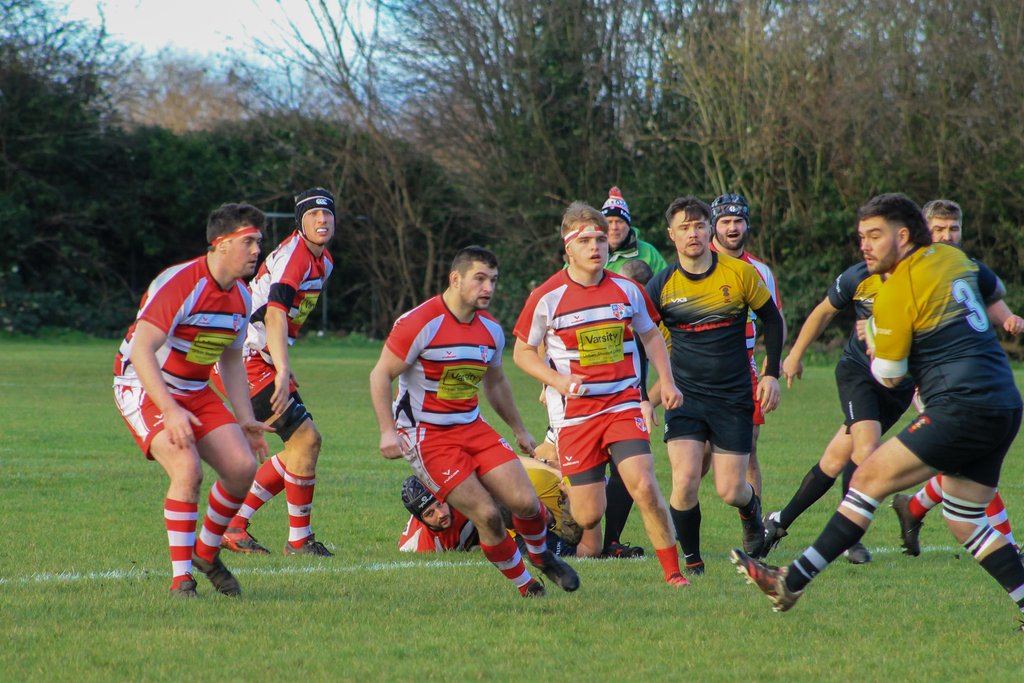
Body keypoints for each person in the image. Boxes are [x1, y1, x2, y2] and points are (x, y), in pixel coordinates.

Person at [732, 193, 1024, 624]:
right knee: (964, 519)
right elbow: (990, 287)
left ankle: (790, 581)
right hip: (1005, 402)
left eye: (874, 235)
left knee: (866, 475)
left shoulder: (894, 291)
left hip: (960, 406)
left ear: (902, 235)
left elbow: (889, 377)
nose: (864, 245)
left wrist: (872, 336)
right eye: (861, 236)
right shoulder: (954, 259)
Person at [369, 245, 579, 598]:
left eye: (493, 280)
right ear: (455, 279)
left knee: (526, 502)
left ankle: (543, 558)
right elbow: (380, 375)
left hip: (471, 426)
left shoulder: (491, 330)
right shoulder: (419, 322)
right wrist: (387, 431)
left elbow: (495, 382)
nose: (488, 288)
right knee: (487, 514)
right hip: (426, 435)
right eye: (480, 279)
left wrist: (519, 429)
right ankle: (527, 586)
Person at [513, 201, 690, 587]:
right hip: (576, 415)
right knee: (588, 514)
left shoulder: (628, 290)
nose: (596, 246)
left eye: (600, 239)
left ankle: (674, 574)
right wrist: (556, 382)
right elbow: (522, 352)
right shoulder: (546, 297)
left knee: (643, 484)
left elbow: (650, 336)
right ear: (568, 250)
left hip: (622, 403)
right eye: (586, 240)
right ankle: (546, 529)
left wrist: (668, 380)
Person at [112, 202, 272, 598]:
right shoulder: (181, 282)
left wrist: (246, 419)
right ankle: (181, 579)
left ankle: (206, 552)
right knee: (187, 469)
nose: (256, 250)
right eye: (248, 241)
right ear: (220, 244)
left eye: (259, 242)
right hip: (144, 383)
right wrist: (169, 409)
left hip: (194, 390)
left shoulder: (241, 297)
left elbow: (232, 360)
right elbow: (142, 350)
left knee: (241, 468)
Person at [646, 196, 784, 574]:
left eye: (699, 225)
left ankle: (751, 509)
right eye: (684, 227)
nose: (692, 233)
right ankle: (692, 560)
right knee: (685, 479)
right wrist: (647, 396)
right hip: (686, 397)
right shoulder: (661, 285)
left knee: (730, 490)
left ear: (710, 230)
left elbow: (772, 320)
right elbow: (644, 336)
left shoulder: (739, 274)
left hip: (733, 396)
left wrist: (771, 372)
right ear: (672, 235)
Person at [891, 198, 1024, 555]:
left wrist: (1009, 319)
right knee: (975, 459)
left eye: (953, 229)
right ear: (923, 229)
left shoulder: (965, 266)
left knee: (964, 463)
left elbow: (995, 305)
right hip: (936, 384)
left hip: (969, 379)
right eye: (939, 229)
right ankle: (1008, 546)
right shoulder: (912, 270)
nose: (947, 236)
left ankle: (913, 507)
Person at [768, 252, 918, 565]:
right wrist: (794, 355)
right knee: (866, 449)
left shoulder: (928, 278)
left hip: (899, 385)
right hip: (858, 373)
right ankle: (852, 538)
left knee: (835, 459)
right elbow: (823, 312)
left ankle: (779, 521)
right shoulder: (859, 276)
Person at [218, 187, 337, 557]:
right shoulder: (294, 257)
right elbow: (273, 313)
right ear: (300, 222)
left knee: (299, 448)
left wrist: (281, 360)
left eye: (328, 214)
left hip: (261, 357)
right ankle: (299, 541)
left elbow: (287, 318)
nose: (322, 220)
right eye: (313, 214)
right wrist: (281, 366)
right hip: (245, 359)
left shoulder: (324, 261)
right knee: (306, 440)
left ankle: (234, 524)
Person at [708, 193, 784, 501]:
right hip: (701, 372)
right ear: (714, 225)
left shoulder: (760, 271)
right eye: (725, 221)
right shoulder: (699, 265)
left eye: (738, 221)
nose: (732, 228)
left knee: (749, 447)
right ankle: (686, 537)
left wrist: (773, 366)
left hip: (745, 371)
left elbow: (775, 319)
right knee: (696, 458)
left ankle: (754, 529)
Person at [398, 457, 584, 554]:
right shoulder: (418, 546)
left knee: (584, 549)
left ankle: (579, 490)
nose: (440, 514)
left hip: (530, 490)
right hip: (517, 508)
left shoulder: (460, 491)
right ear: (420, 520)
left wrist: (550, 469)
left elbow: (505, 461)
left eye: (440, 504)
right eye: (430, 513)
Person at [600, 186, 668, 274]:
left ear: (628, 226)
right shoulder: (592, 251)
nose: (614, 227)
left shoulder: (648, 252)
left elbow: (666, 283)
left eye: (619, 221)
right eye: (609, 222)